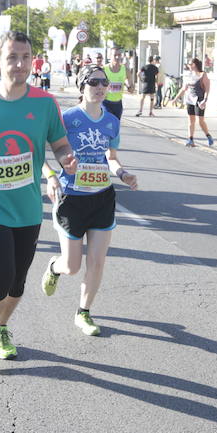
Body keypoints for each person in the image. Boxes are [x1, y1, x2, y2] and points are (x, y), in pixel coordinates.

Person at [0, 30, 77, 369]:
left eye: (25, 57)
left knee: (17, 282)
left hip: (26, 206)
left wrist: (66, 158)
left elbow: (59, 143)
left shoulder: (44, 102)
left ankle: (3, 326)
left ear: (32, 60)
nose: (19, 64)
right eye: (12, 57)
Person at [41, 64, 138, 336]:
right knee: (72, 266)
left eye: (104, 83)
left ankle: (83, 312)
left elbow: (111, 157)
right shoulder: (67, 118)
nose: (100, 88)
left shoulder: (111, 122)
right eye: (93, 82)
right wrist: (53, 174)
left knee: (97, 261)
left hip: (102, 198)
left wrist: (123, 173)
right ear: (81, 87)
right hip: (72, 198)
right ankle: (53, 266)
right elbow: (42, 149)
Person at [175, 58, 213, 147]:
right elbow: (184, 88)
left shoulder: (203, 75)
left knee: (201, 121)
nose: (188, 65)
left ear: (194, 64)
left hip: (199, 100)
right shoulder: (189, 75)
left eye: (189, 64)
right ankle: (190, 139)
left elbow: (207, 88)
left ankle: (208, 135)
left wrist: (205, 99)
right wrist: (176, 98)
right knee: (191, 121)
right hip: (189, 100)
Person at [104, 49, 128, 120]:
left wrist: (130, 87)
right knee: (107, 124)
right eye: (115, 55)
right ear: (110, 56)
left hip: (118, 103)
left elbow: (131, 87)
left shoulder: (125, 69)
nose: (117, 57)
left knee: (115, 126)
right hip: (105, 102)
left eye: (119, 55)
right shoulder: (104, 69)